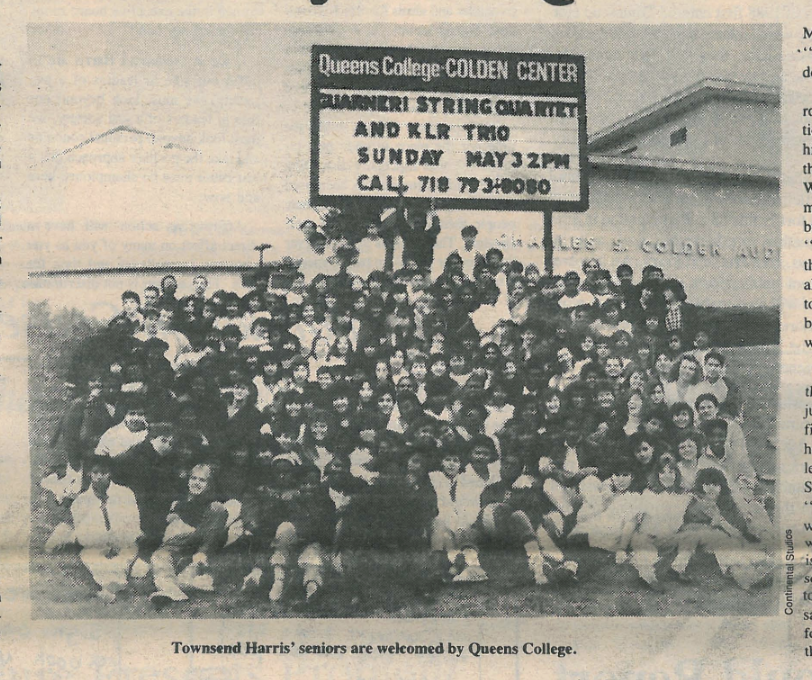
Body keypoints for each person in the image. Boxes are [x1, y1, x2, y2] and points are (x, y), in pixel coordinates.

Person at [149, 463, 229, 606]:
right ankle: (171, 591)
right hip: (181, 546)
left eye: (202, 480)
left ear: (209, 485)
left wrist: (203, 551)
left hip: (202, 550)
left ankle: (181, 584)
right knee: (159, 556)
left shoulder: (215, 507)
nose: (196, 483)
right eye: (193, 478)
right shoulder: (180, 504)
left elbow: (211, 534)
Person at [70, 455, 141, 603]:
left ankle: (108, 590)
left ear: (111, 473)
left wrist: (117, 543)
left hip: (123, 544)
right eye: (95, 472)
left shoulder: (125, 494)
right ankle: (116, 587)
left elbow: (134, 526)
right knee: (92, 558)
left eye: (104, 472)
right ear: (89, 473)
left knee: (124, 558)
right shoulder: (81, 501)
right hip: (95, 546)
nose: (99, 477)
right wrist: (103, 544)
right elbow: (82, 534)